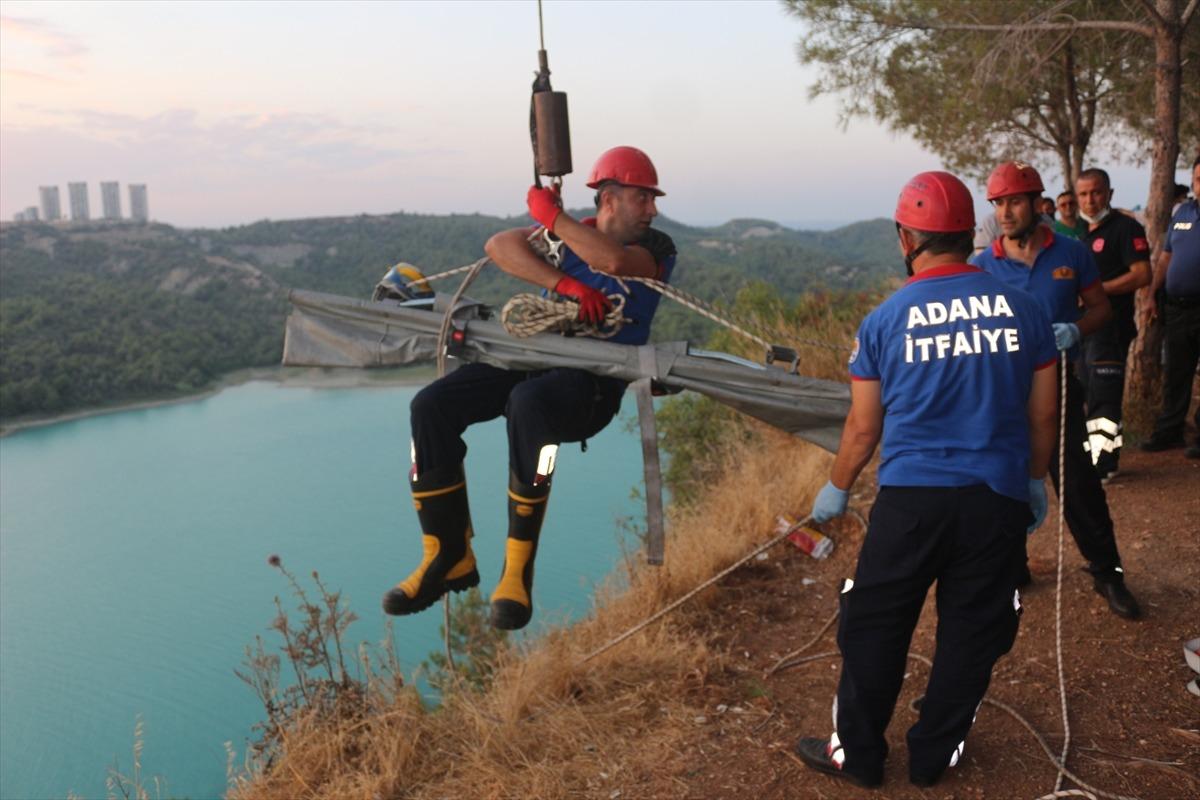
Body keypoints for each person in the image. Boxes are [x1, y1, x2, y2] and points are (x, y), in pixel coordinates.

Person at [793, 171, 1058, 790]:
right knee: (975, 627)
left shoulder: (884, 319)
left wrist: (836, 487)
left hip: (910, 502)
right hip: (994, 499)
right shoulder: (1026, 310)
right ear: (970, 233)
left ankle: (856, 754)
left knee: (875, 623)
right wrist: (1035, 482)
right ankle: (935, 754)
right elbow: (1042, 412)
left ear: (905, 238)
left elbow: (863, 428)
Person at [381, 146, 677, 630]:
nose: (653, 209)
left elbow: (616, 263)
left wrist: (554, 220)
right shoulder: (563, 240)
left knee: (529, 404)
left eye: (651, 199)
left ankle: (517, 571)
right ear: (610, 198)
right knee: (432, 405)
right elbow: (500, 246)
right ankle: (447, 554)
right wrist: (566, 287)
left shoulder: (658, 248)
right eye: (642, 198)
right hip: (535, 357)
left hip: (592, 386)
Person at [972, 160, 1142, 620]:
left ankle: (1108, 572)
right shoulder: (982, 266)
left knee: (1079, 485)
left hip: (1060, 386)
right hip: (1004, 394)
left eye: (1013, 202)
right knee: (1002, 485)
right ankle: (1012, 568)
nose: (1005, 213)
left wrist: (1076, 328)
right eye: (998, 203)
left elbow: (1101, 309)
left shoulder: (1071, 253)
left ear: (1034, 203)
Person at [1075, 167, 1152, 480]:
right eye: (1083, 194)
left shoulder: (1125, 228)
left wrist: (1096, 292)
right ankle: (1102, 457)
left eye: (1096, 192)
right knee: (1091, 396)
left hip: (1111, 327)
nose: (1090, 200)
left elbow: (1142, 274)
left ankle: (1103, 464)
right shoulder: (1081, 234)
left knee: (1104, 398)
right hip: (1083, 329)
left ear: (1109, 194)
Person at [1142, 156, 1200, 458]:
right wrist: (1152, 294)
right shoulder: (1183, 213)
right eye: (1199, 179)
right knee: (1176, 373)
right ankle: (1170, 431)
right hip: (1177, 309)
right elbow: (1166, 257)